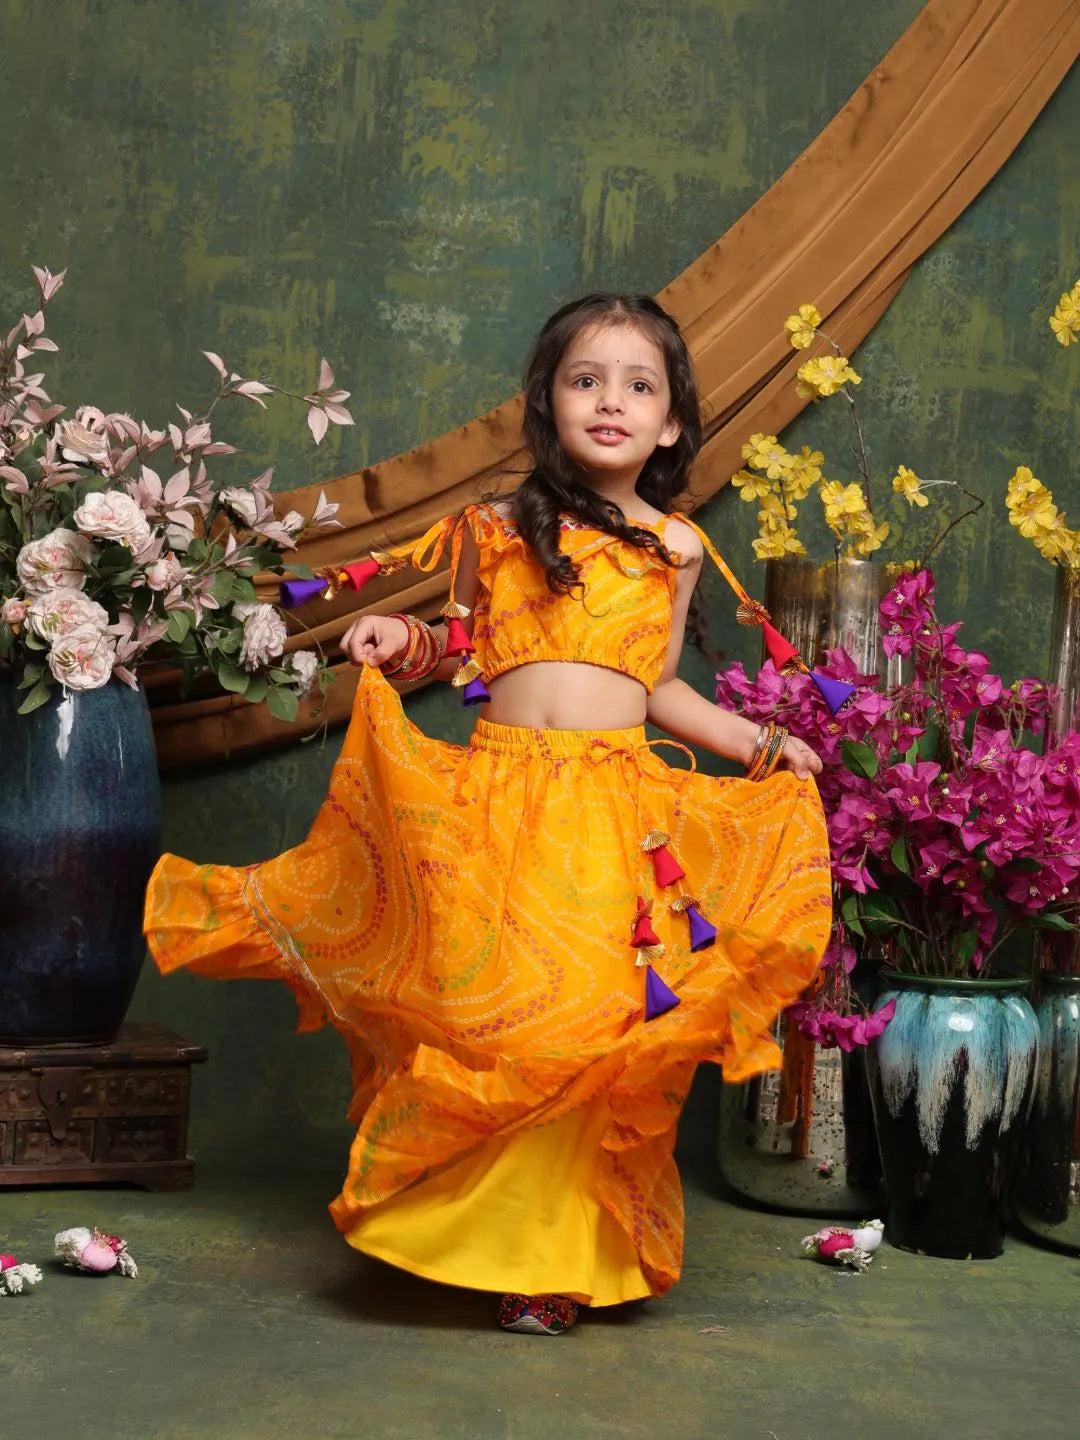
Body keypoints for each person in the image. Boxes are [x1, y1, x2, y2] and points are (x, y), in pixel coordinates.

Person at [145, 292, 831, 1336]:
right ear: (547, 402)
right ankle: (468, 1235)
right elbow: (463, 652)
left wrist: (767, 745)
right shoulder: (498, 528)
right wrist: (394, 641)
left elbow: (658, 688)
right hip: (500, 798)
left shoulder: (678, 548)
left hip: (611, 812)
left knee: (587, 1025)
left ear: (674, 422)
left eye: (639, 386)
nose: (612, 402)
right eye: (585, 380)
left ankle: (552, 1262)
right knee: (497, 1013)